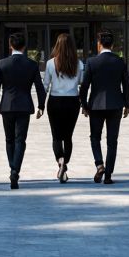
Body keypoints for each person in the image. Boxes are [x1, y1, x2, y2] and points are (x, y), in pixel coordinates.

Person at [0, 31, 46, 189]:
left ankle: (13, 168)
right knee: (20, 139)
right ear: (24, 46)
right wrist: (41, 106)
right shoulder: (31, 64)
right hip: (24, 106)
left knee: (9, 139)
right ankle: (15, 169)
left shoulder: (2, 64)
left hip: (7, 106)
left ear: (10, 45)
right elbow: (40, 88)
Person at [79, 29, 129, 184]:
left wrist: (84, 104)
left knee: (95, 137)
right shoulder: (120, 61)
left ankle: (99, 164)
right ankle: (108, 175)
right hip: (115, 105)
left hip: (96, 105)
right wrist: (127, 104)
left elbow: (84, 86)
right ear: (113, 45)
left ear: (99, 44)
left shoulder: (92, 62)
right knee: (112, 141)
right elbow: (126, 85)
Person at [42, 33, 85, 183]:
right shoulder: (79, 64)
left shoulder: (49, 63)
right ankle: (65, 163)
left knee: (56, 136)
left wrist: (41, 104)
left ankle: (60, 161)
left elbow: (45, 85)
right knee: (68, 137)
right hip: (72, 102)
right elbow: (82, 83)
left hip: (55, 101)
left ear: (57, 46)